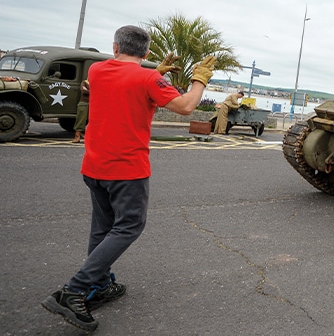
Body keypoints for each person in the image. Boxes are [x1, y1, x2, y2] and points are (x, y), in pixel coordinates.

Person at [41, 25, 216, 332]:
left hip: (94, 166)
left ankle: (101, 284)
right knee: (129, 226)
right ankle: (74, 290)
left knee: (103, 228)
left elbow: (124, 79)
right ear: (146, 52)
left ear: (115, 46)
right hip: (126, 170)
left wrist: (156, 73)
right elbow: (187, 106)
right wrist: (199, 80)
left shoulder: (97, 71)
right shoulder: (148, 79)